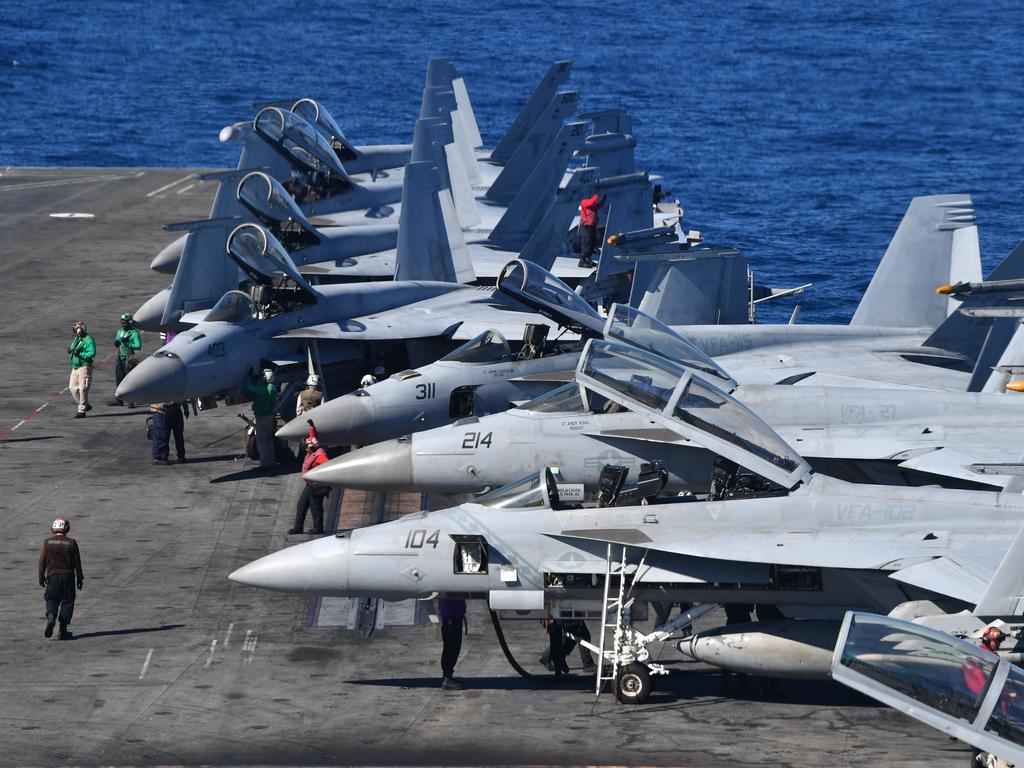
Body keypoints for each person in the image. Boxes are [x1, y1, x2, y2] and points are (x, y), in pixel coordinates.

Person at [38, 517, 84, 640]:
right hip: (68, 577)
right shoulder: (72, 542)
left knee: (52, 599)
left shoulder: (47, 542)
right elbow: (77, 564)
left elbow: (42, 562)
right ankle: (63, 630)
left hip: (52, 577)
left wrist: (41, 576)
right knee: (67, 602)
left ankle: (51, 615)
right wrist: (80, 579)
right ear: (67, 528)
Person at [288, 427, 330, 535]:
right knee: (301, 504)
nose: (305, 448)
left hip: (317, 485)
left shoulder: (320, 456)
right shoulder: (312, 450)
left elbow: (329, 465)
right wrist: (311, 427)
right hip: (309, 485)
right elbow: (312, 437)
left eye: (306, 446)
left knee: (315, 506)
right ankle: (298, 527)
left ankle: (318, 528)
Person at [245, 369, 278, 468]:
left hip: (262, 417)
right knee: (269, 440)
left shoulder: (263, 390)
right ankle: (271, 461)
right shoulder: (272, 388)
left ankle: (265, 464)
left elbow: (248, 386)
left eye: (263, 376)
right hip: (269, 416)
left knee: (262, 442)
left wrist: (249, 377)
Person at [111, 313, 142, 406]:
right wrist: (116, 343)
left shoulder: (134, 333)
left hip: (129, 358)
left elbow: (138, 346)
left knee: (129, 380)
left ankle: (131, 401)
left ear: (129, 322)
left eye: (125, 322)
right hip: (120, 357)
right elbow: (117, 341)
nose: (123, 324)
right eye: (122, 322)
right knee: (119, 379)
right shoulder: (120, 331)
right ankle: (119, 400)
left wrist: (128, 344)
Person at [68, 320, 96, 418]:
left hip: (84, 366)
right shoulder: (77, 339)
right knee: (72, 387)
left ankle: (81, 410)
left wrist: (81, 354)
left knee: (83, 388)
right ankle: (85, 404)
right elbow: (73, 348)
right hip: (75, 366)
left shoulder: (88, 339)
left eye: (78, 329)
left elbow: (92, 353)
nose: (76, 331)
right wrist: (70, 350)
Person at [439, 598, 466, 690]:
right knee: (451, 647)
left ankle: (447, 676)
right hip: (451, 616)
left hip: (456, 614)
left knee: (455, 646)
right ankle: (447, 678)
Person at [578, 193, 604, 269]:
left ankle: (588, 259)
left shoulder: (591, 205)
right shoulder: (584, 201)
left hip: (592, 226)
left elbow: (598, 206)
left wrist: (604, 199)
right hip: (586, 227)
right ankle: (582, 261)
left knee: (592, 243)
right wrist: (597, 194)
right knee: (587, 243)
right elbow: (592, 202)